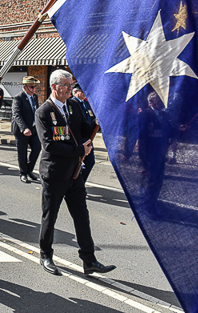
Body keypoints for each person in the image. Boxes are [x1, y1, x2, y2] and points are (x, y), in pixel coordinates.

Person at [35, 69, 115, 276]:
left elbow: (84, 129)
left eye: (72, 85)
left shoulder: (73, 105)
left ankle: (89, 260)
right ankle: (46, 255)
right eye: (67, 85)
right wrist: (79, 150)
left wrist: (98, 121)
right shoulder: (44, 112)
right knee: (49, 217)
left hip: (74, 172)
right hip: (54, 174)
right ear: (54, 87)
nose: (71, 89)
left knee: (82, 216)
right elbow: (50, 145)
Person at [12, 76, 42, 183]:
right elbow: (17, 114)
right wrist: (24, 128)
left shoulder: (34, 97)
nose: (34, 89)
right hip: (22, 130)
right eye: (31, 87)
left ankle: (29, 169)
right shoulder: (18, 98)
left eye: (34, 87)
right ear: (25, 88)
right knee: (22, 151)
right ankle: (23, 173)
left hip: (33, 128)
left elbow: (36, 112)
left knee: (37, 148)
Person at [71, 83, 96, 183]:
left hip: (88, 137)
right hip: (78, 138)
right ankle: (75, 184)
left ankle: (81, 183)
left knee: (90, 162)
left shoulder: (86, 104)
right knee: (77, 163)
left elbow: (91, 118)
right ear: (75, 92)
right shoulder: (72, 104)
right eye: (82, 91)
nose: (84, 93)